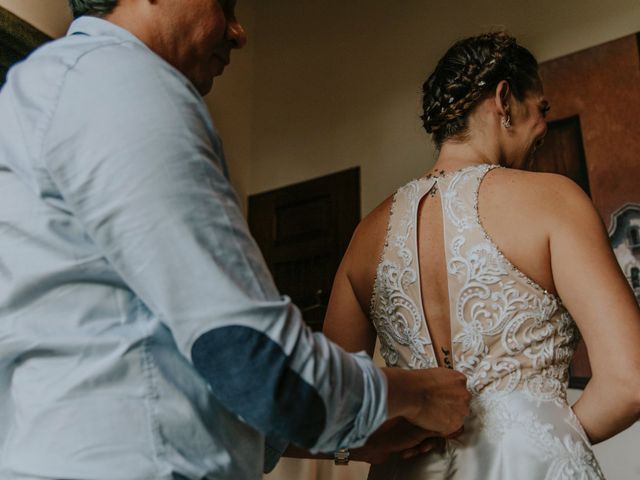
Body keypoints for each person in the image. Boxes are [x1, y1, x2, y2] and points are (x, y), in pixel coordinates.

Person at [0, 1, 472, 479]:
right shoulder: (122, 83)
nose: (239, 32)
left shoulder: (46, 88)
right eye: (223, 2)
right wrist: (418, 394)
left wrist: (353, 440)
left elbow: (191, 370)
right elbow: (250, 357)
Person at [323, 31, 640, 479]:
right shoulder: (553, 200)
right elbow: (630, 383)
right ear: (504, 99)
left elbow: (332, 402)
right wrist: (540, 440)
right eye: (542, 110)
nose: (544, 129)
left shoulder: (364, 237)